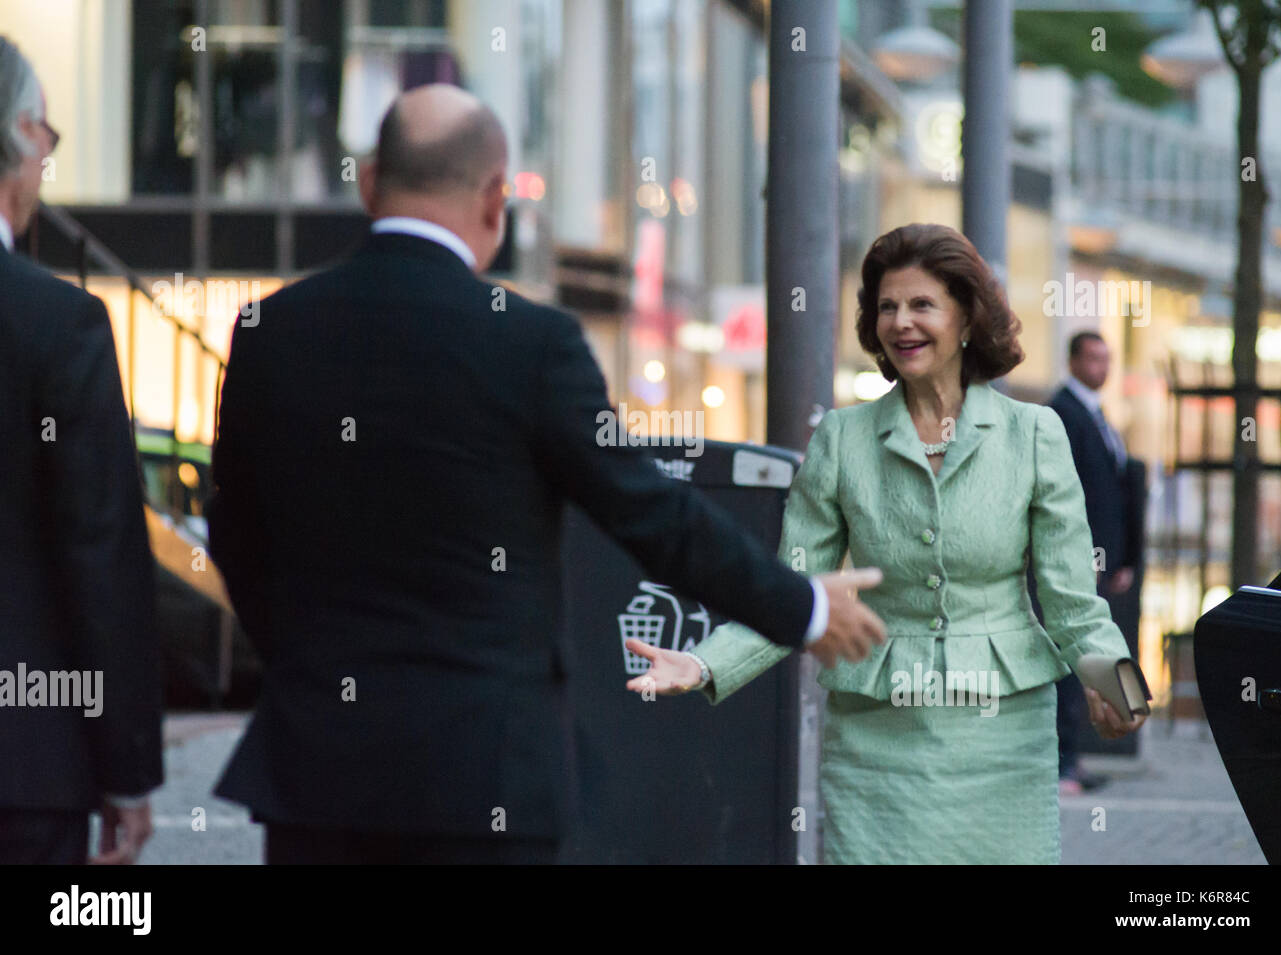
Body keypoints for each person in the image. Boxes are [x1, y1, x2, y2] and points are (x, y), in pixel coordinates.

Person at [207, 83, 885, 865]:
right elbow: (649, 511)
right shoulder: (531, 345)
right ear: (497, 198)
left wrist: (304, 659)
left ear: (368, 182)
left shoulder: (269, 332)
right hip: (486, 776)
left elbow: (236, 532)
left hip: (316, 772)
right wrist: (799, 606)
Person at [628, 223, 1145, 864]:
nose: (902, 322)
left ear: (965, 318)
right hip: (877, 748)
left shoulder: (1034, 433)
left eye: (922, 304)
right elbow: (792, 589)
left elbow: (1072, 600)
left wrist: (1118, 684)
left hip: (1003, 742)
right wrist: (705, 664)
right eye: (888, 307)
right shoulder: (843, 439)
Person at [0, 37, 162, 865]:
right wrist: (126, 770)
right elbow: (99, 553)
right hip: (24, 767)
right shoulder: (58, 325)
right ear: (22, 136)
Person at [1046, 332, 1146, 796]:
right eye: (1093, 358)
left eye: (1107, 359)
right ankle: (1063, 762)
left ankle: (1072, 759)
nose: (1101, 367)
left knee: (1082, 656)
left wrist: (1122, 557)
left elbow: (1116, 490)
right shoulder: (1063, 413)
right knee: (1071, 659)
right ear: (1073, 360)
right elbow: (1073, 496)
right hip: (1075, 560)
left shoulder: (1099, 416)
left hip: (1100, 561)